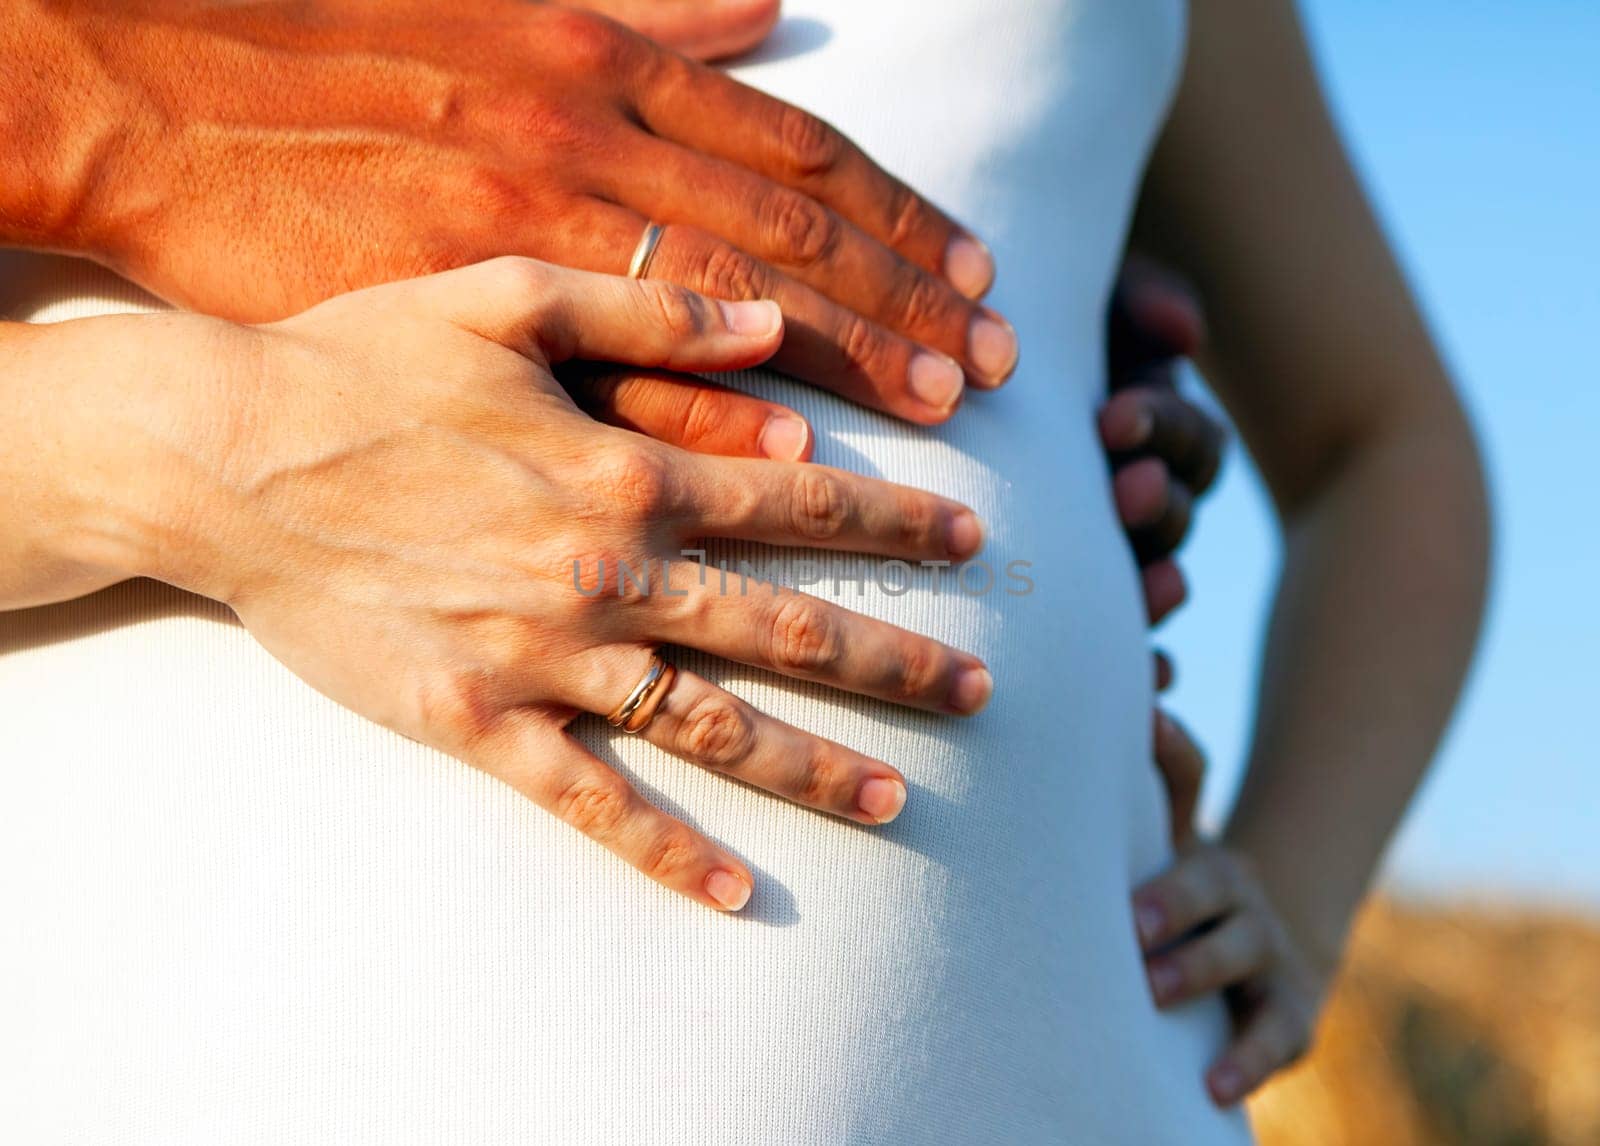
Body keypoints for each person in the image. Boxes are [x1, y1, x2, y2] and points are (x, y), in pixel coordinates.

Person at [0, 0, 1487, 1141]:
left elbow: (1390, 441)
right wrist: (202, 453)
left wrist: (1298, 873)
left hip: (1072, 1076)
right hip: (210, 1047)